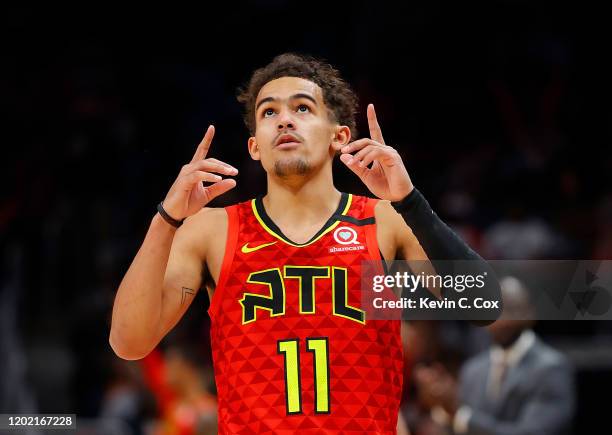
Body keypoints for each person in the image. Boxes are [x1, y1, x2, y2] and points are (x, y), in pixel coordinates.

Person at [110, 53, 499, 434]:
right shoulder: (210, 230)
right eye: (269, 113)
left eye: (302, 108)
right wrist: (166, 219)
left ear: (339, 136)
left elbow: (485, 305)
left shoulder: (385, 220)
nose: (284, 121)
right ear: (254, 147)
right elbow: (129, 343)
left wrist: (409, 200)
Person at [415, 276, 574, 435]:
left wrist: (459, 413)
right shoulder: (473, 370)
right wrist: (440, 406)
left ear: (529, 313)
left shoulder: (552, 369)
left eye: (510, 309)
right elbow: (457, 424)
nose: (500, 319)